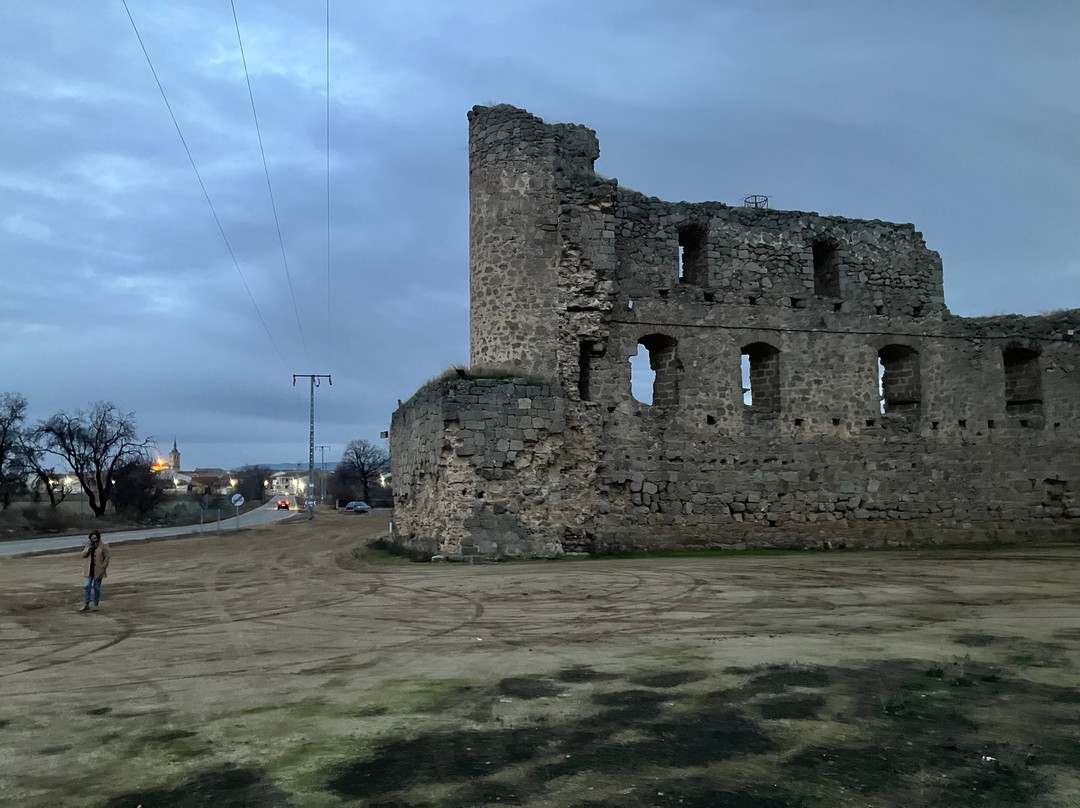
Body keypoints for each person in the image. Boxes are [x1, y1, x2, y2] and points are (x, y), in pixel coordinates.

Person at [78, 530, 109, 613]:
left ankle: (95, 605)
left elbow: (106, 557)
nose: (94, 540)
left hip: (99, 570)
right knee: (87, 585)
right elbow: (83, 555)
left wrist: (103, 567)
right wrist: (88, 549)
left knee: (96, 587)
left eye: (95, 538)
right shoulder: (88, 546)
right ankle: (86, 604)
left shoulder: (103, 546)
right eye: (92, 538)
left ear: (98, 538)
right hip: (89, 570)